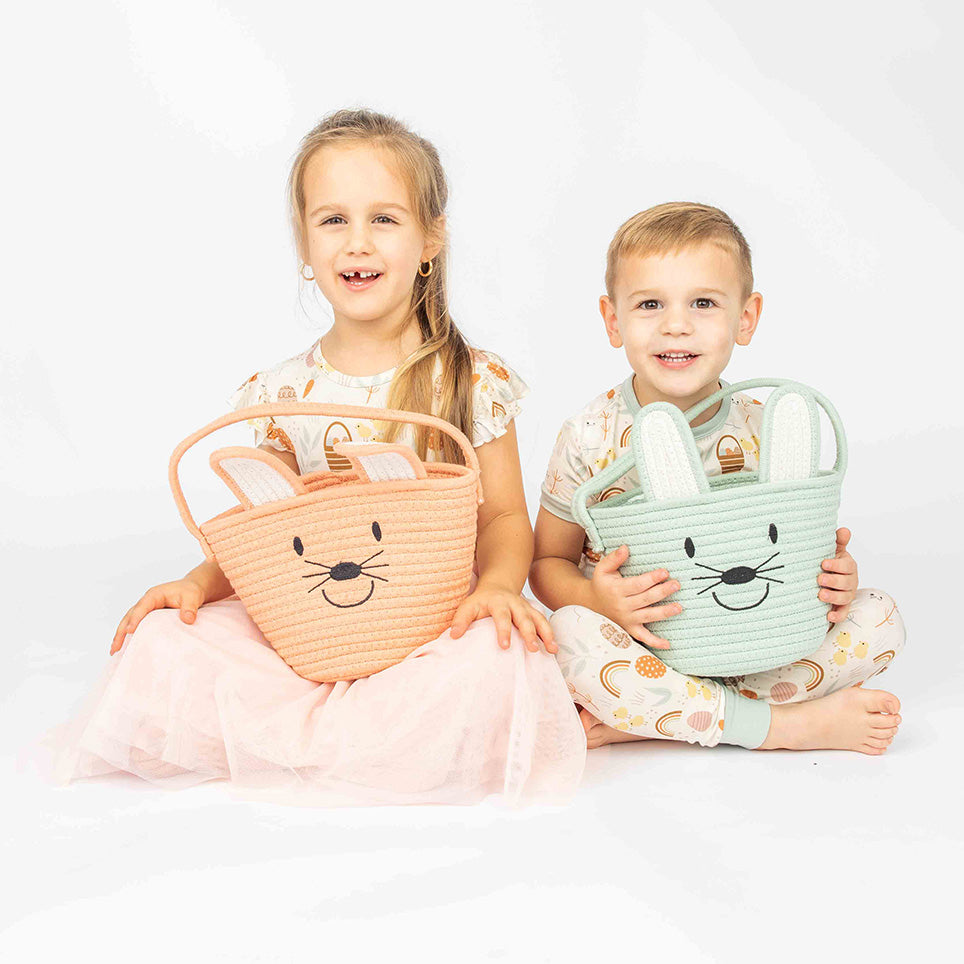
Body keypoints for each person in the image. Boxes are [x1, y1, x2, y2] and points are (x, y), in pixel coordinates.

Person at [48, 109, 585, 805]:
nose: (357, 243)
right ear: (304, 242)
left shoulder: (468, 379)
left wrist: (497, 591)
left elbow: (507, 518)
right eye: (333, 220)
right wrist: (197, 582)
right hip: (310, 627)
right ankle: (351, 733)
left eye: (384, 220)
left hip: (426, 628)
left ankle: (363, 732)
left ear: (431, 239)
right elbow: (267, 541)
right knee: (165, 641)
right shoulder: (279, 393)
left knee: (498, 654)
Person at [529, 202, 906, 753]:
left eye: (703, 303)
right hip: (650, 647)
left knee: (880, 618)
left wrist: (834, 579)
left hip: (762, 640)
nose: (675, 324)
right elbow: (547, 564)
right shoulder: (590, 435)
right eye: (650, 304)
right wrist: (595, 597)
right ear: (613, 320)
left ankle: (663, 715)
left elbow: (798, 551)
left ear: (746, 318)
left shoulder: (767, 428)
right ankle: (780, 726)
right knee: (566, 639)